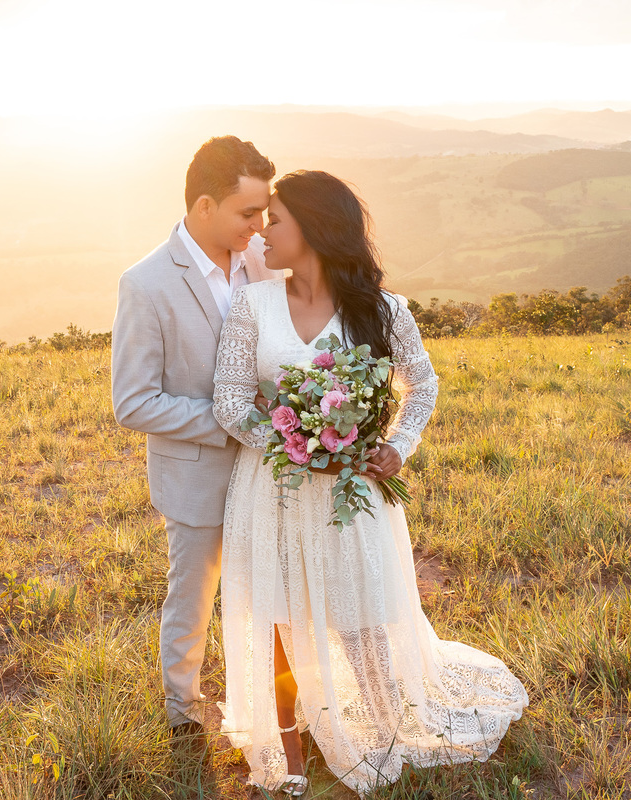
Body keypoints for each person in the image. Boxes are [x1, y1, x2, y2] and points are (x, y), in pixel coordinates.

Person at [212, 170, 529, 796]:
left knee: (361, 612)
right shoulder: (253, 305)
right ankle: (290, 753)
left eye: (275, 220)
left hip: (350, 488)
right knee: (277, 618)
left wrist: (396, 448)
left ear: (316, 227)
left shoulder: (382, 311)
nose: (262, 233)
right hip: (272, 488)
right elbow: (228, 401)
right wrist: (293, 443)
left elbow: (423, 385)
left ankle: (388, 726)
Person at [111, 136, 282, 738]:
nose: (260, 226)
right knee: (193, 596)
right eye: (247, 212)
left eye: (264, 213)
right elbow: (132, 402)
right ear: (204, 205)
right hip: (197, 474)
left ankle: (274, 703)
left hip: (272, 469)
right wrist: (231, 421)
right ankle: (183, 711)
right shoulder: (146, 284)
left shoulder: (259, 259)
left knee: (274, 587)